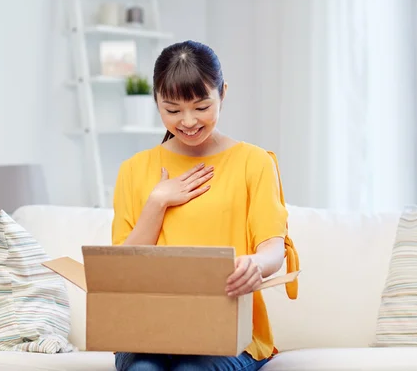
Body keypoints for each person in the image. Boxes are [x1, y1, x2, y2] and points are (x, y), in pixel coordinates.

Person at [111, 40, 299, 371]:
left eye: (201, 107)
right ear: (156, 101)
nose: (188, 122)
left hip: (229, 332)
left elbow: (273, 248)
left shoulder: (253, 162)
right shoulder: (133, 170)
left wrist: (254, 264)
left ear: (222, 93)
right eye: (172, 110)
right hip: (147, 331)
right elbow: (122, 270)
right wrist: (157, 202)